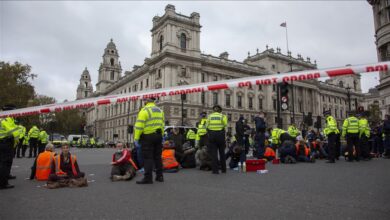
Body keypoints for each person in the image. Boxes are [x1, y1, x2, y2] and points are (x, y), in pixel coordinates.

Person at [134, 97, 165, 184]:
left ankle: (148, 178)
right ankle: (160, 176)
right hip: (158, 136)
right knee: (157, 157)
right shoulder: (160, 111)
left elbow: (139, 126)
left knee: (148, 158)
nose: (144, 102)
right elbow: (162, 124)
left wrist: (136, 138)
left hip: (148, 137)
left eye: (145, 100)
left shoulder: (144, 111)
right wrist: (161, 136)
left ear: (147, 101)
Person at [0, 113, 22, 189]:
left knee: (2, 162)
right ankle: (3, 183)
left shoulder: (1, 118)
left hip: (2, 142)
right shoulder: (7, 118)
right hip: (6, 143)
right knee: (5, 163)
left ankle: (5, 177)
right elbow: (14, 132)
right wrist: (15, 143)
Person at [206, 105, 228, 174]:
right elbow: (225, 124)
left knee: (214, 154)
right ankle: (223, 169)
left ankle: (215, 170)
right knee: (222, 153)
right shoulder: (222, 116)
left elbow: (207, 126)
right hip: (220, 135)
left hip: (212, 135)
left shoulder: (210, 116)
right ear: (220, 110)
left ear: (213, 110)